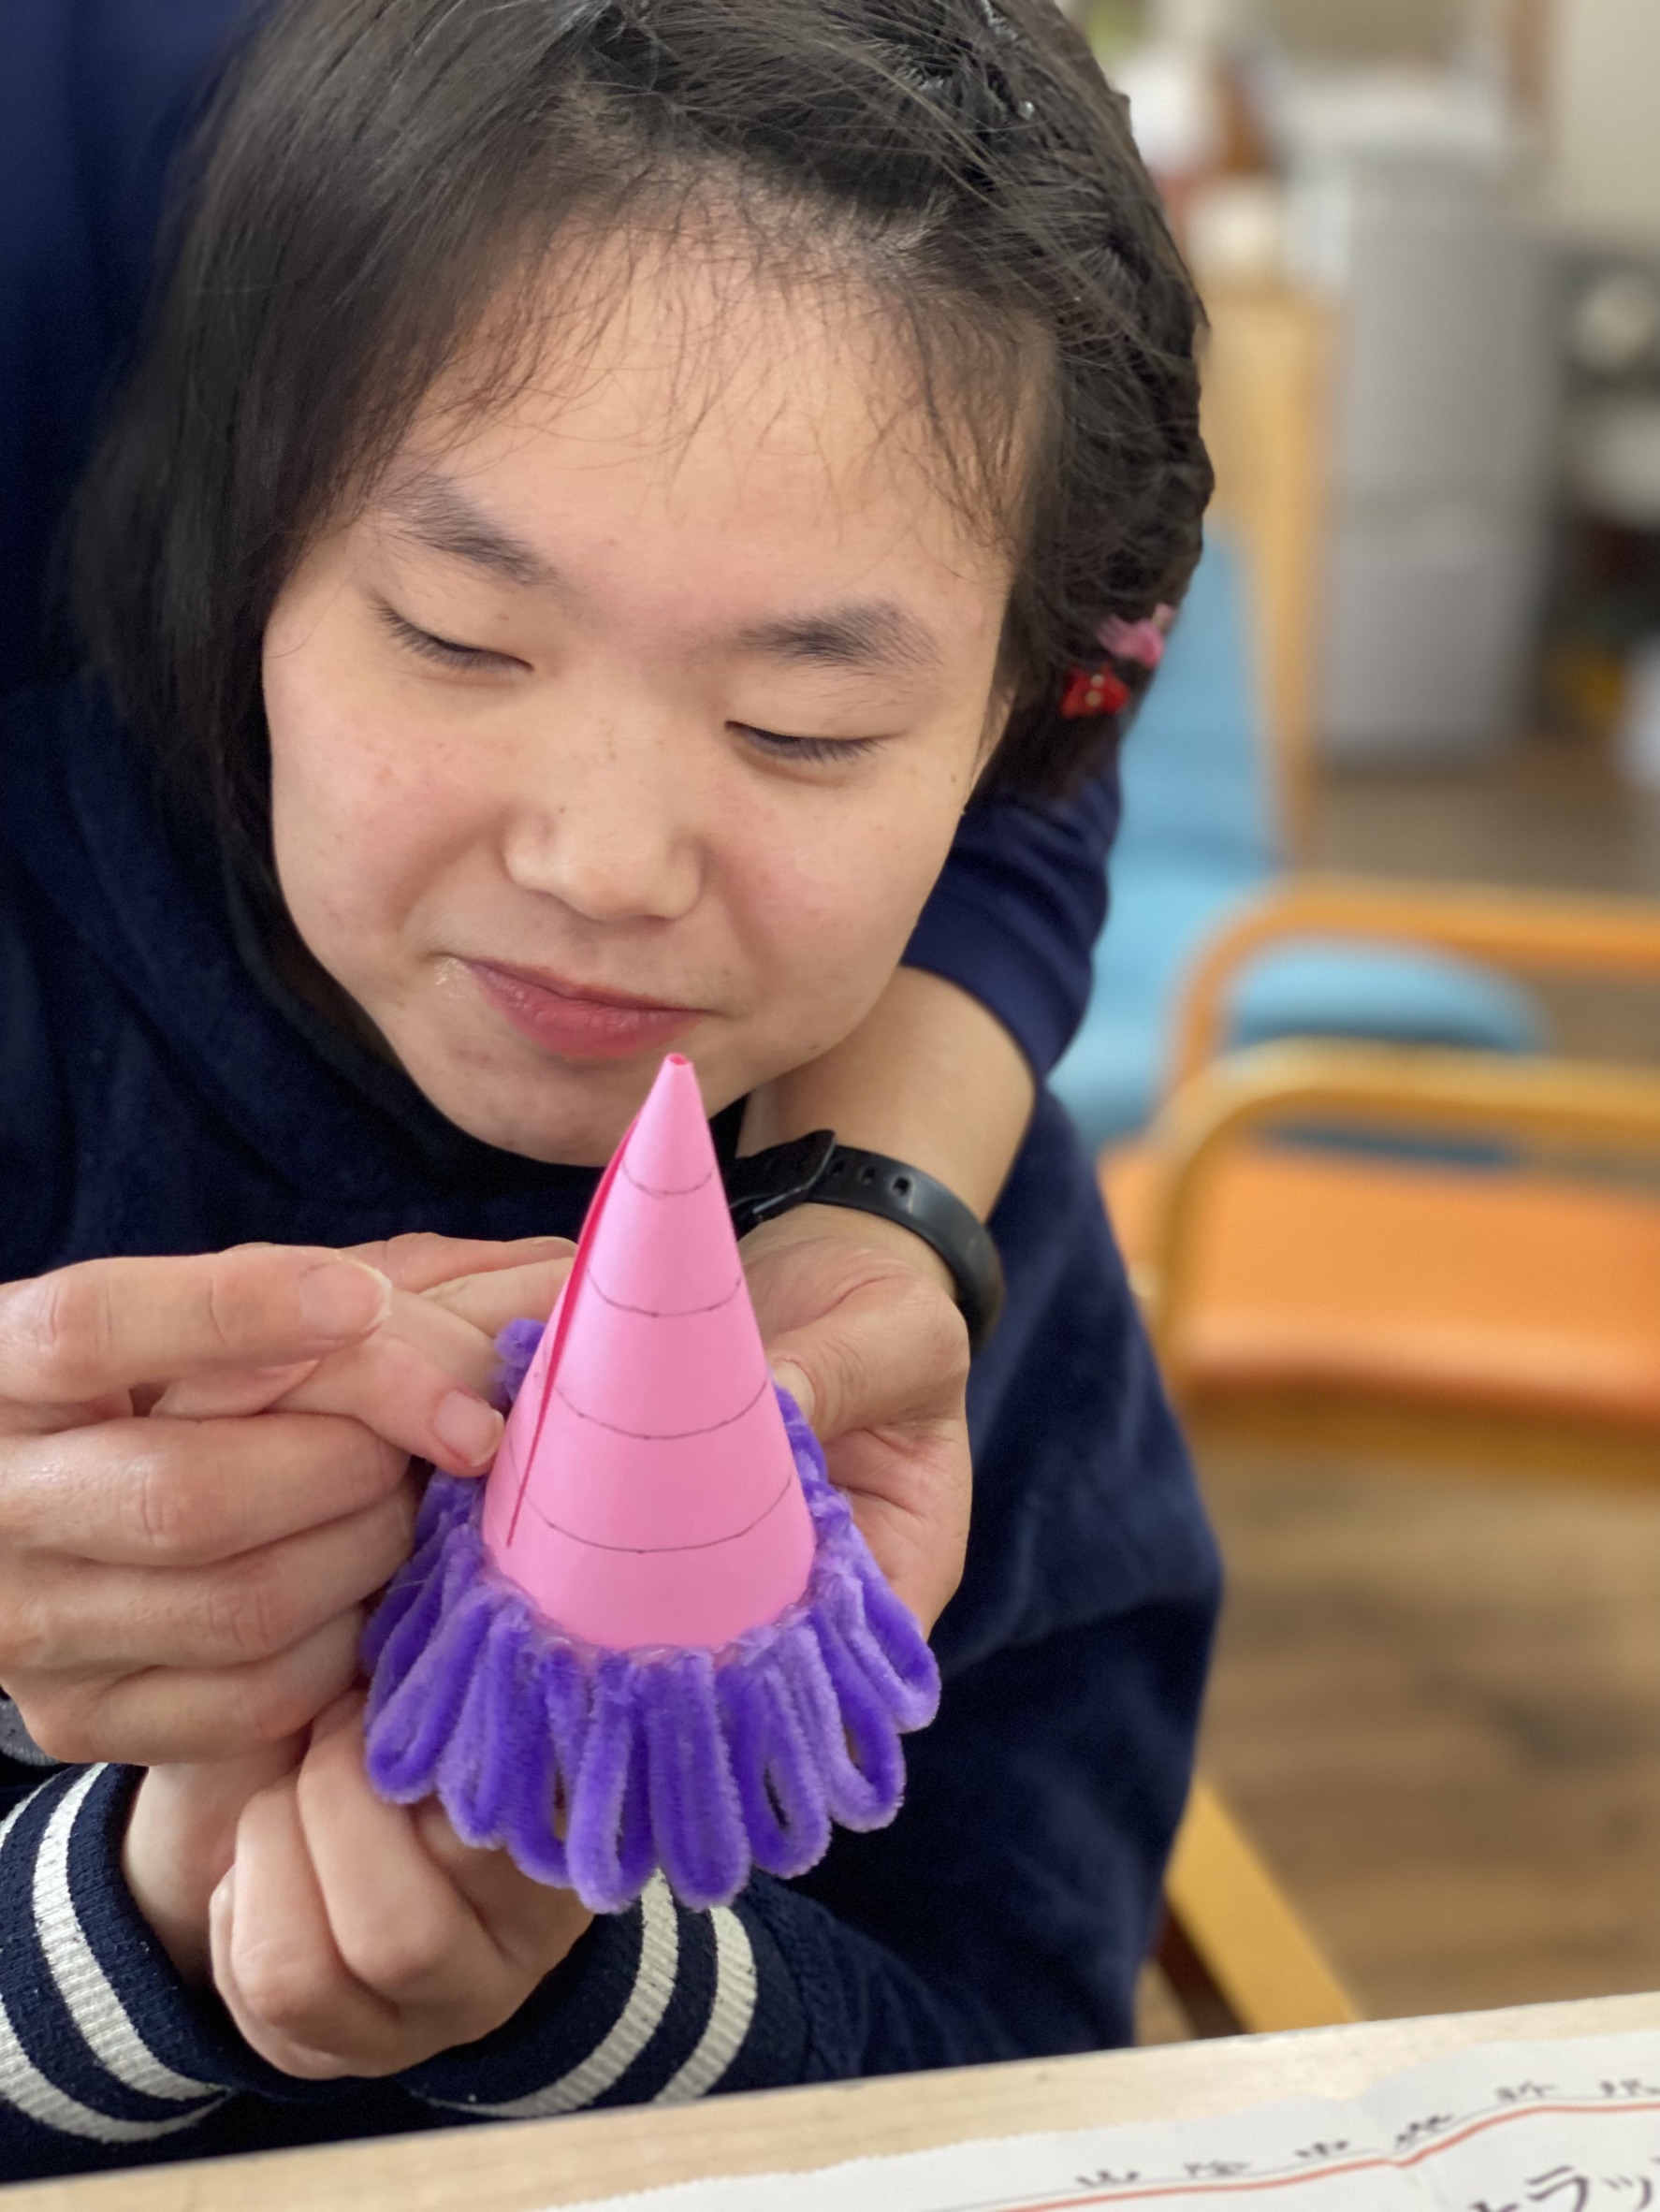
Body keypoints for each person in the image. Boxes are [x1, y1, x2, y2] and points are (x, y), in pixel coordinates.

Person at [0, 0, 1219, 2179]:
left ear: (1006, 740)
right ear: (240, 557)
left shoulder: (942, 1285)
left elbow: (1024, 2074)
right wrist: (128, 1930)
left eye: (799, 732)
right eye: (457, 638)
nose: (604, 863)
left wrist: (587, 1990)